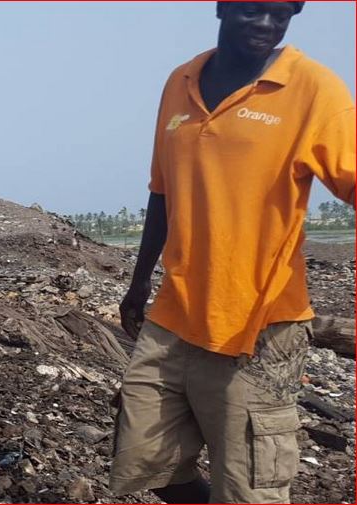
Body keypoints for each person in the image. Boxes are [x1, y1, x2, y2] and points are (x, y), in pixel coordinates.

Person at [110, 2, 355, 503]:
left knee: (247, 487)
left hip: (260, 325)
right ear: (222, 8)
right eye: (251, 11)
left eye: (280, 14)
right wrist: (139, 282)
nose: (265, 25)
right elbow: (162, 191)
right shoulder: (181, 82)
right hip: (175, 316)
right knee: (147, 461)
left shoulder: (312, 88)